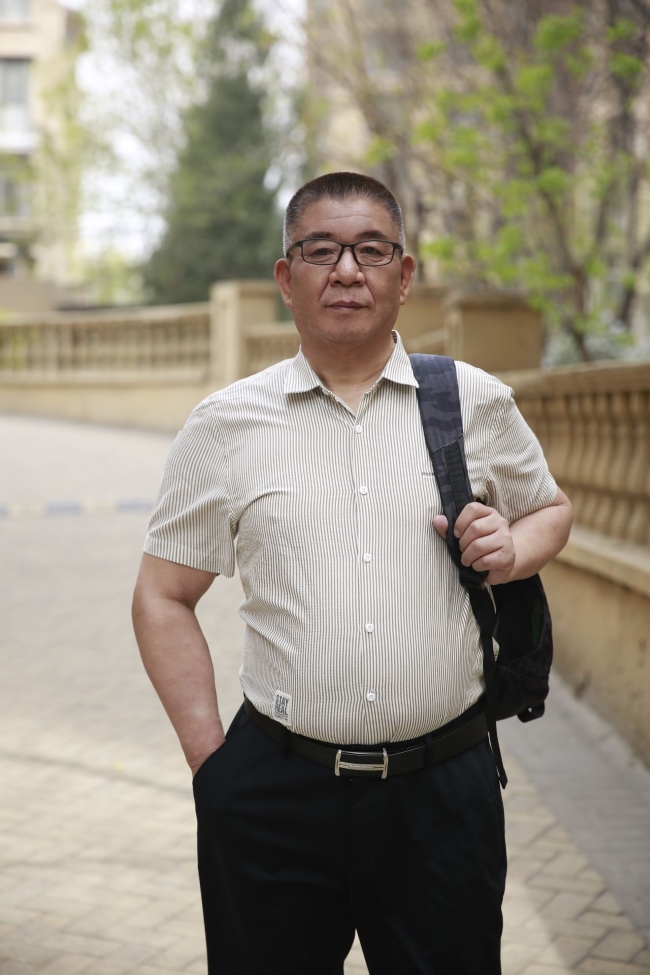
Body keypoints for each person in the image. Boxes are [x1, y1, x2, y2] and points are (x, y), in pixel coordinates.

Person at [132, 171, 573, 975]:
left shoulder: (471, 400)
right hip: (275, 791)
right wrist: (212, 766)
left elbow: (550, 509)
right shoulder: (224, 424)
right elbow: (163, 595)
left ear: (404, 276)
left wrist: (513, 549)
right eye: (320, 250)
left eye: (371, 250)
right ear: (285, 278)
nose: (346, 270)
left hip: (443, 793)